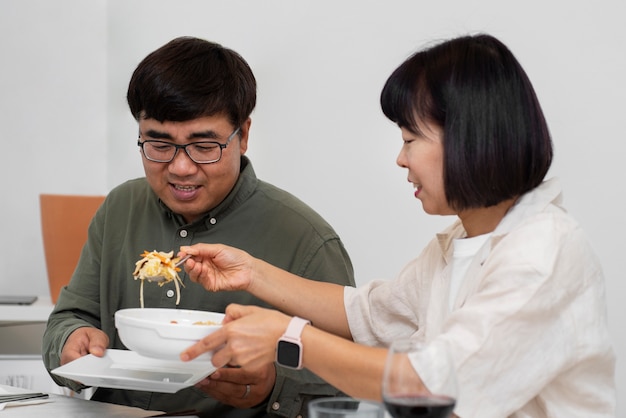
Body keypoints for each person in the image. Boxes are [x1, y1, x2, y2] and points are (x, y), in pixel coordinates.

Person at [177, 34, 616, 417]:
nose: (400, 158)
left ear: (469, 138)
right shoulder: (458, 244)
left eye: (410, 139)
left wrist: (289, 337)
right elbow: (366, 315)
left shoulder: (542, 252)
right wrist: (251, 273)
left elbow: (432, 387)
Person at [42, 36, 355, 418]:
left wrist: (272, 387)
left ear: (244, 135)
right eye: (159, 144)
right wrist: (71, 340)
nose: (180, 168)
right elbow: (70, 316)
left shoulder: (306, 239)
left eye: (203, 146)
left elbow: (346, 387)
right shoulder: (120, 208)